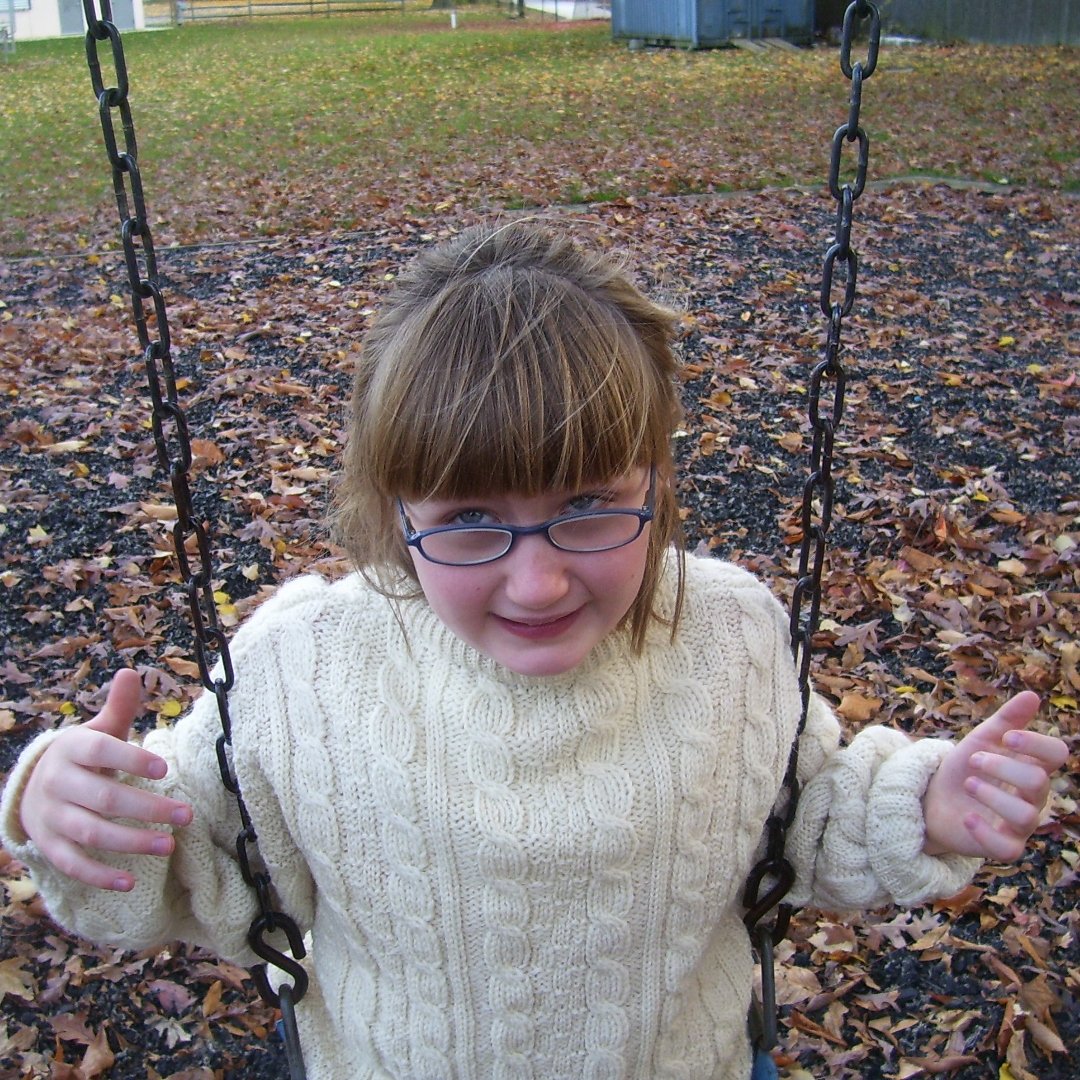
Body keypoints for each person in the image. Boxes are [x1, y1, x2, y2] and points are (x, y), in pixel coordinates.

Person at [2, 221, 1067, 1080]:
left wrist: (924, 801)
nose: (538, 580)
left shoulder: (729, 636)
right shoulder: (302, 676)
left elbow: (804, 808)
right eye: (469, 520)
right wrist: (71, 806)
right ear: (393, 509)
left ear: (656, 481)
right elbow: (190, 866)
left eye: (591, 505)